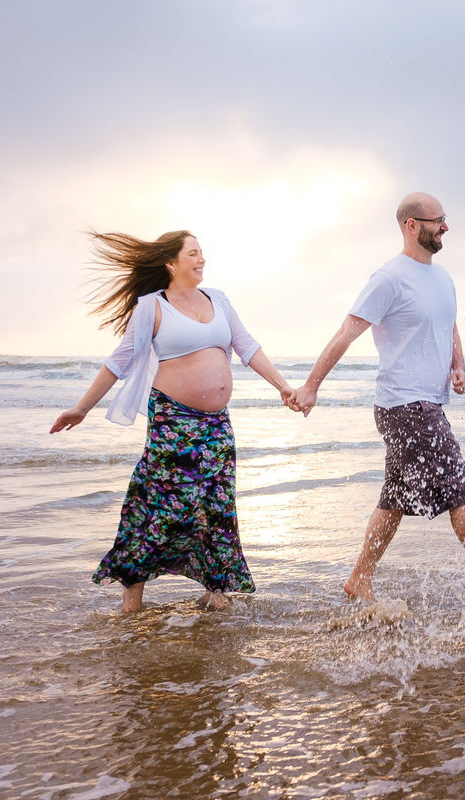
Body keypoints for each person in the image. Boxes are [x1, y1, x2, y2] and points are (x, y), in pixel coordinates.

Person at [50, 230, 297, 613]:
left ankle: (215, 592)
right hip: (172, 421)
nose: (201, 260)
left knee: (215, 504)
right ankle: (132, 596)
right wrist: (82, 408)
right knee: (161, 504)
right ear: (171, 262)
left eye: (202, 253)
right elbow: (119, 361)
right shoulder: (152, 307)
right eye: (193, 253)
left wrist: (284, 387)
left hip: (217, 425)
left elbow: (246, 345)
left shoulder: (219, 299)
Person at [290, 192, 465, 602]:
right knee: (459, 487)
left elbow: (449, 325)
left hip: (425, 403)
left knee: (395, 498)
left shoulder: (443, 278)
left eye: (445, 218)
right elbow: (347, 332)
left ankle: (359, 578)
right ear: (412, 225)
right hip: (404, 405)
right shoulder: (389, 278)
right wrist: (312, 386)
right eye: (437, 220)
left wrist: (458, 366)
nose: (445, 226)